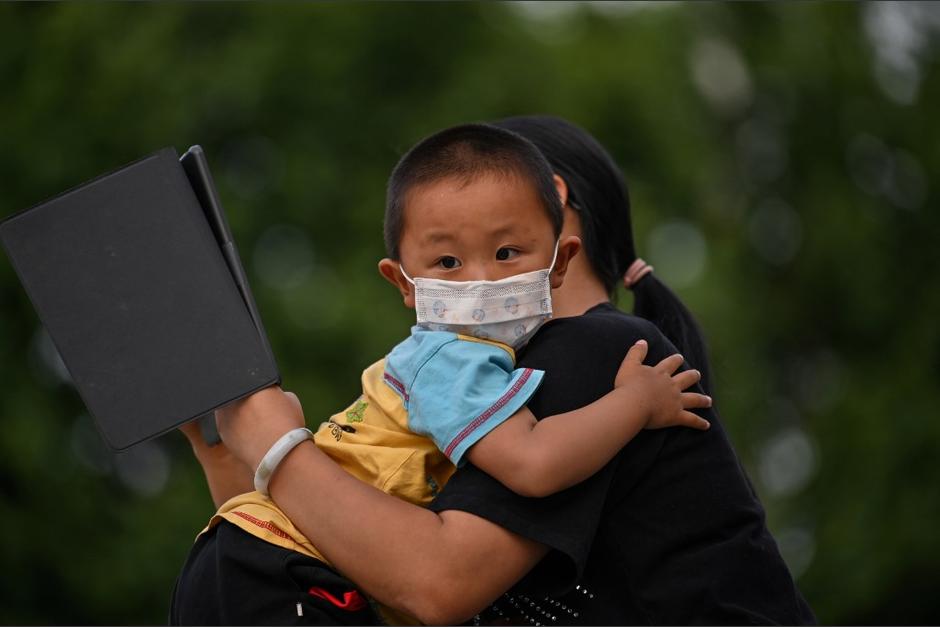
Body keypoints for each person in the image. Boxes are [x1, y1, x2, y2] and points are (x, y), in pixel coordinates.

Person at [199, 116, 816, 625]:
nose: (474, 279)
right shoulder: (488, 377)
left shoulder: (597, 351)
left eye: (502, 249)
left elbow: (436, 581)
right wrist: (227, 453)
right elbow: (344, 550)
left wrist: (278, 447)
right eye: (444, 259)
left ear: (550, 200)